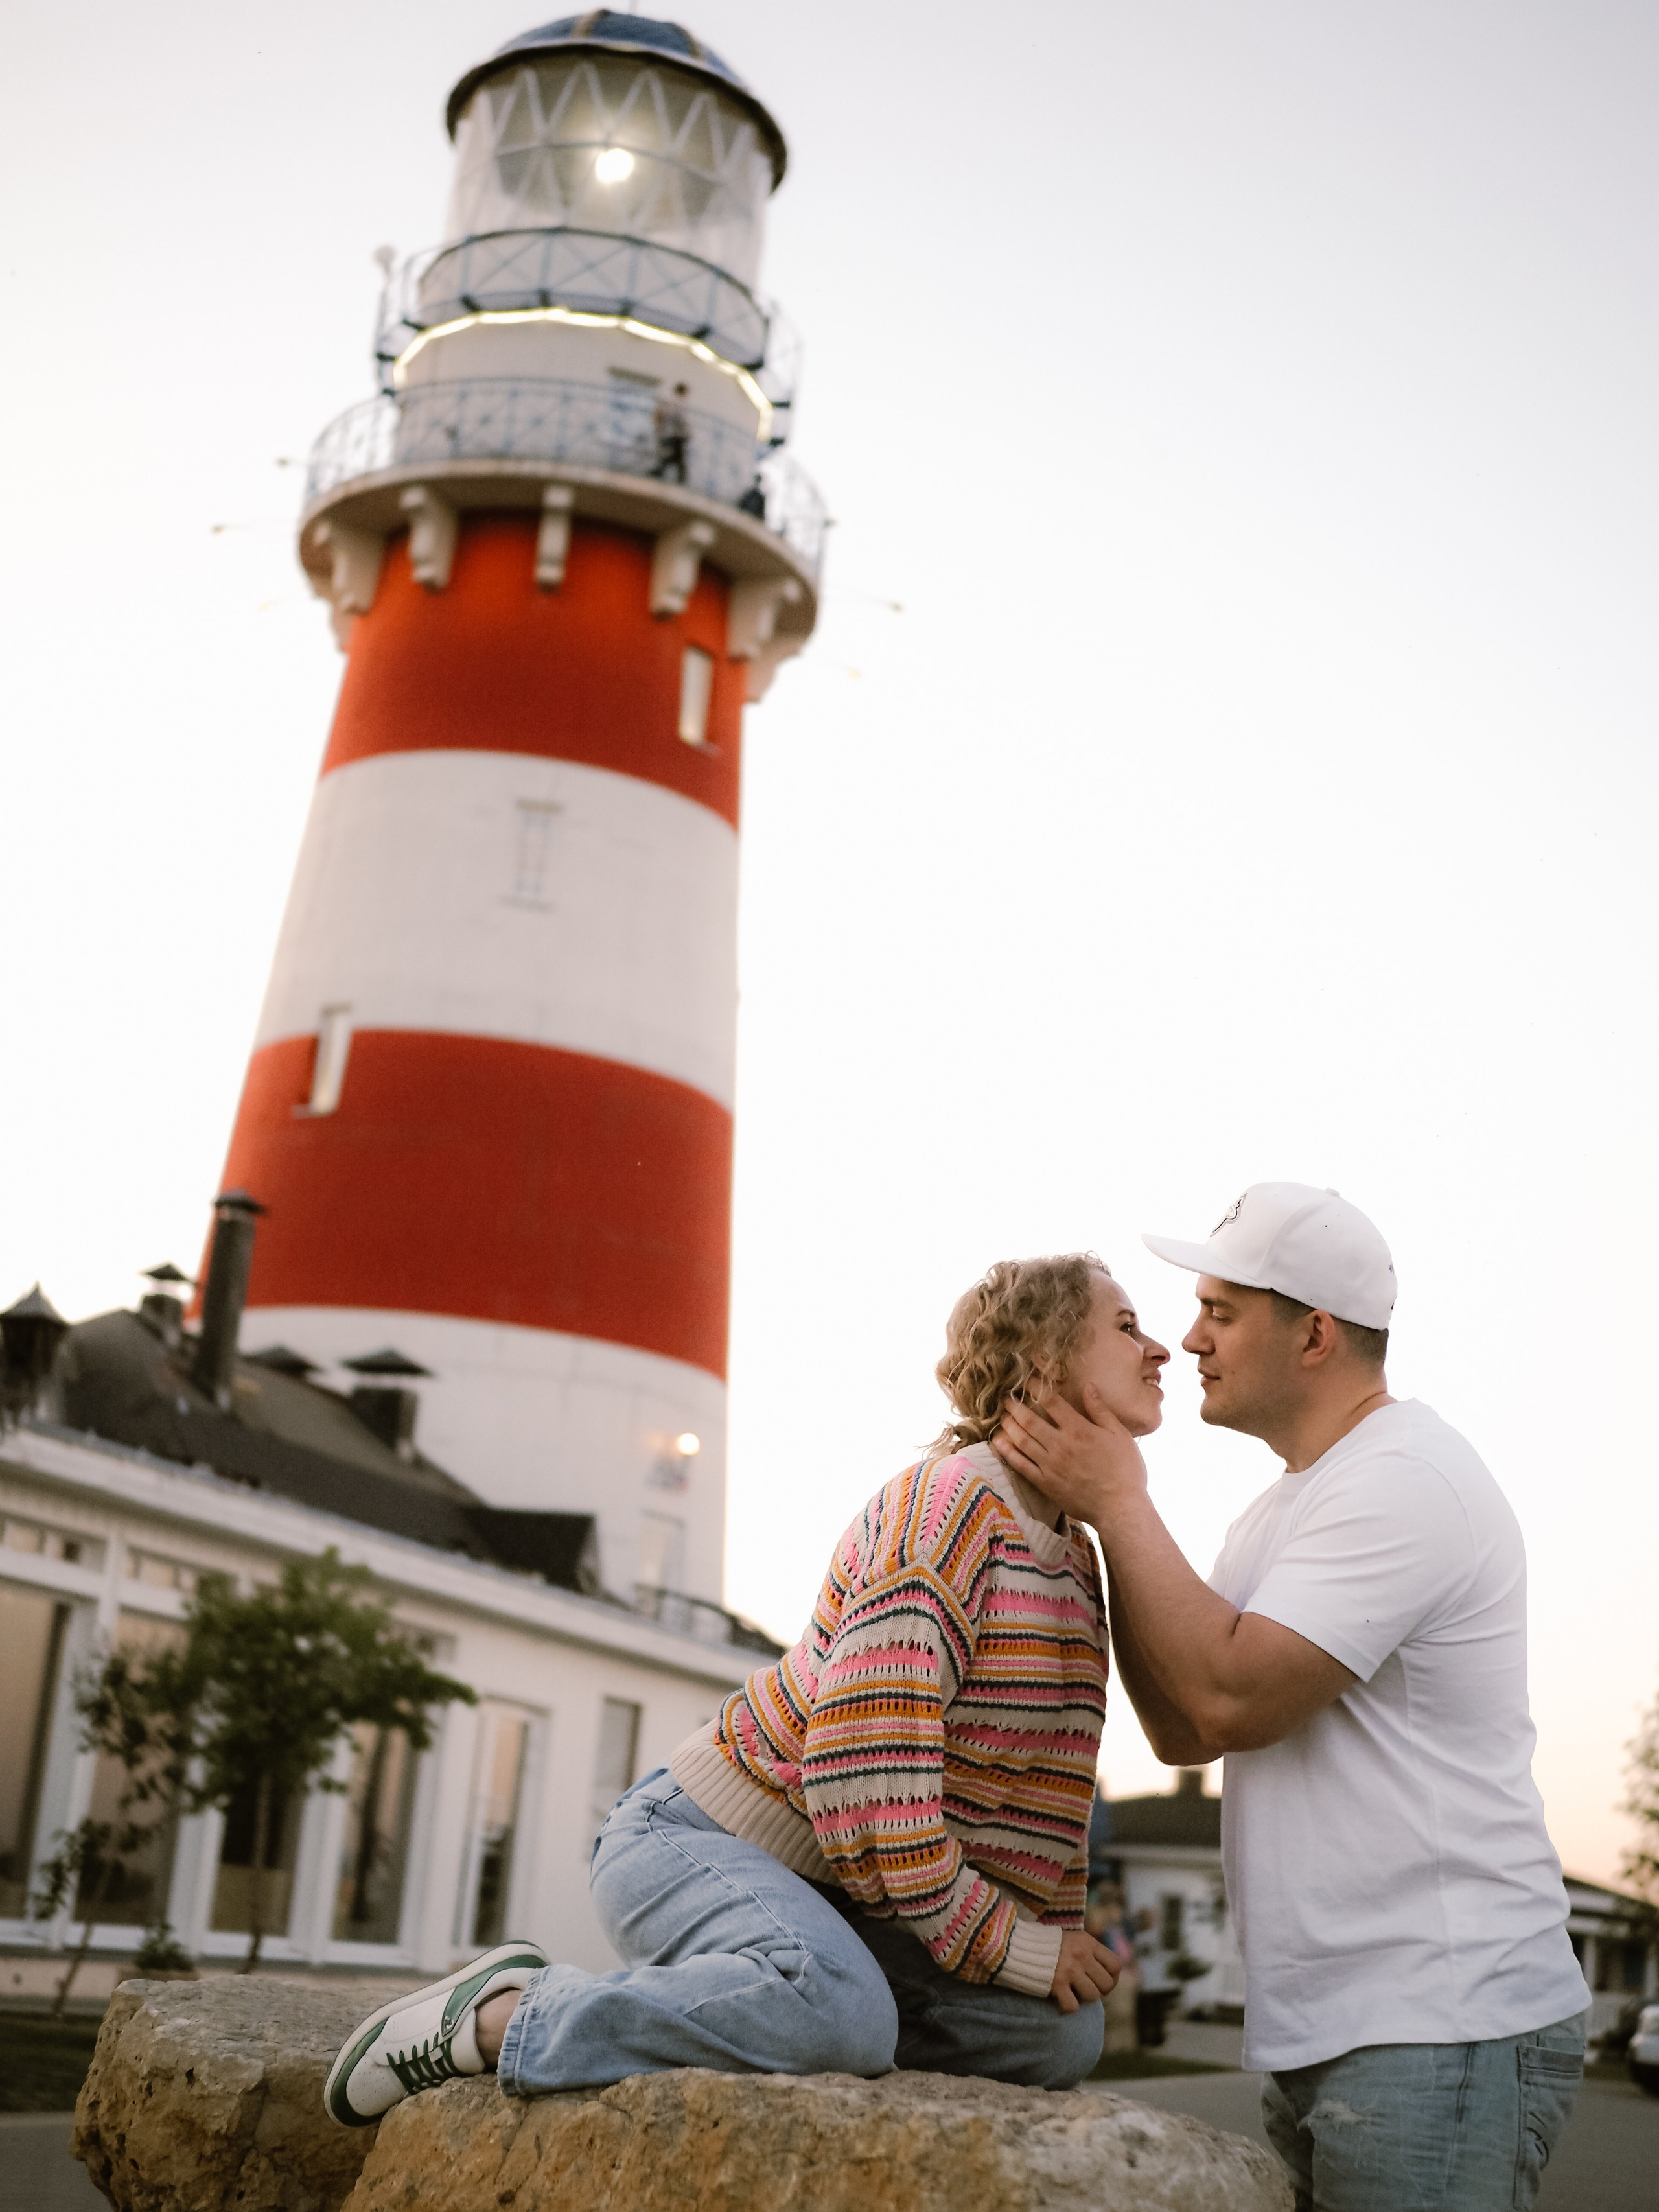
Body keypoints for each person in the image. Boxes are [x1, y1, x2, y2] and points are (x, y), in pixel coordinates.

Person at [325, 1253, 1170, 2127]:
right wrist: (1006, 1943)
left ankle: (804, 2010)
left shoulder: (1074, 1555)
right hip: (699, 1840)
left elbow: (1043, 1804)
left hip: (859, 1901)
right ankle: (502, 2017)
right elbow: (863, 1781)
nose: (1160, 1350)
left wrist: (1039, 1943)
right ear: (1043, 1360)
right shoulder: (949, 1509)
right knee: (841, 2014)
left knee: (1058, 2036)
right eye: (1127, 1327)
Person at [993, 1182, 1590, 2212]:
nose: (1190, 1338)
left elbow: (1230, 1697)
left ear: (1314, 1333)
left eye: (1220, 1311)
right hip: (1351, 2025)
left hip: (1441, 2021)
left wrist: (1119, 1499)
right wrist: (1096, 1514)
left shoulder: (1406, 1477)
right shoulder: (1281, 1510)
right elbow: (1182, 1724)